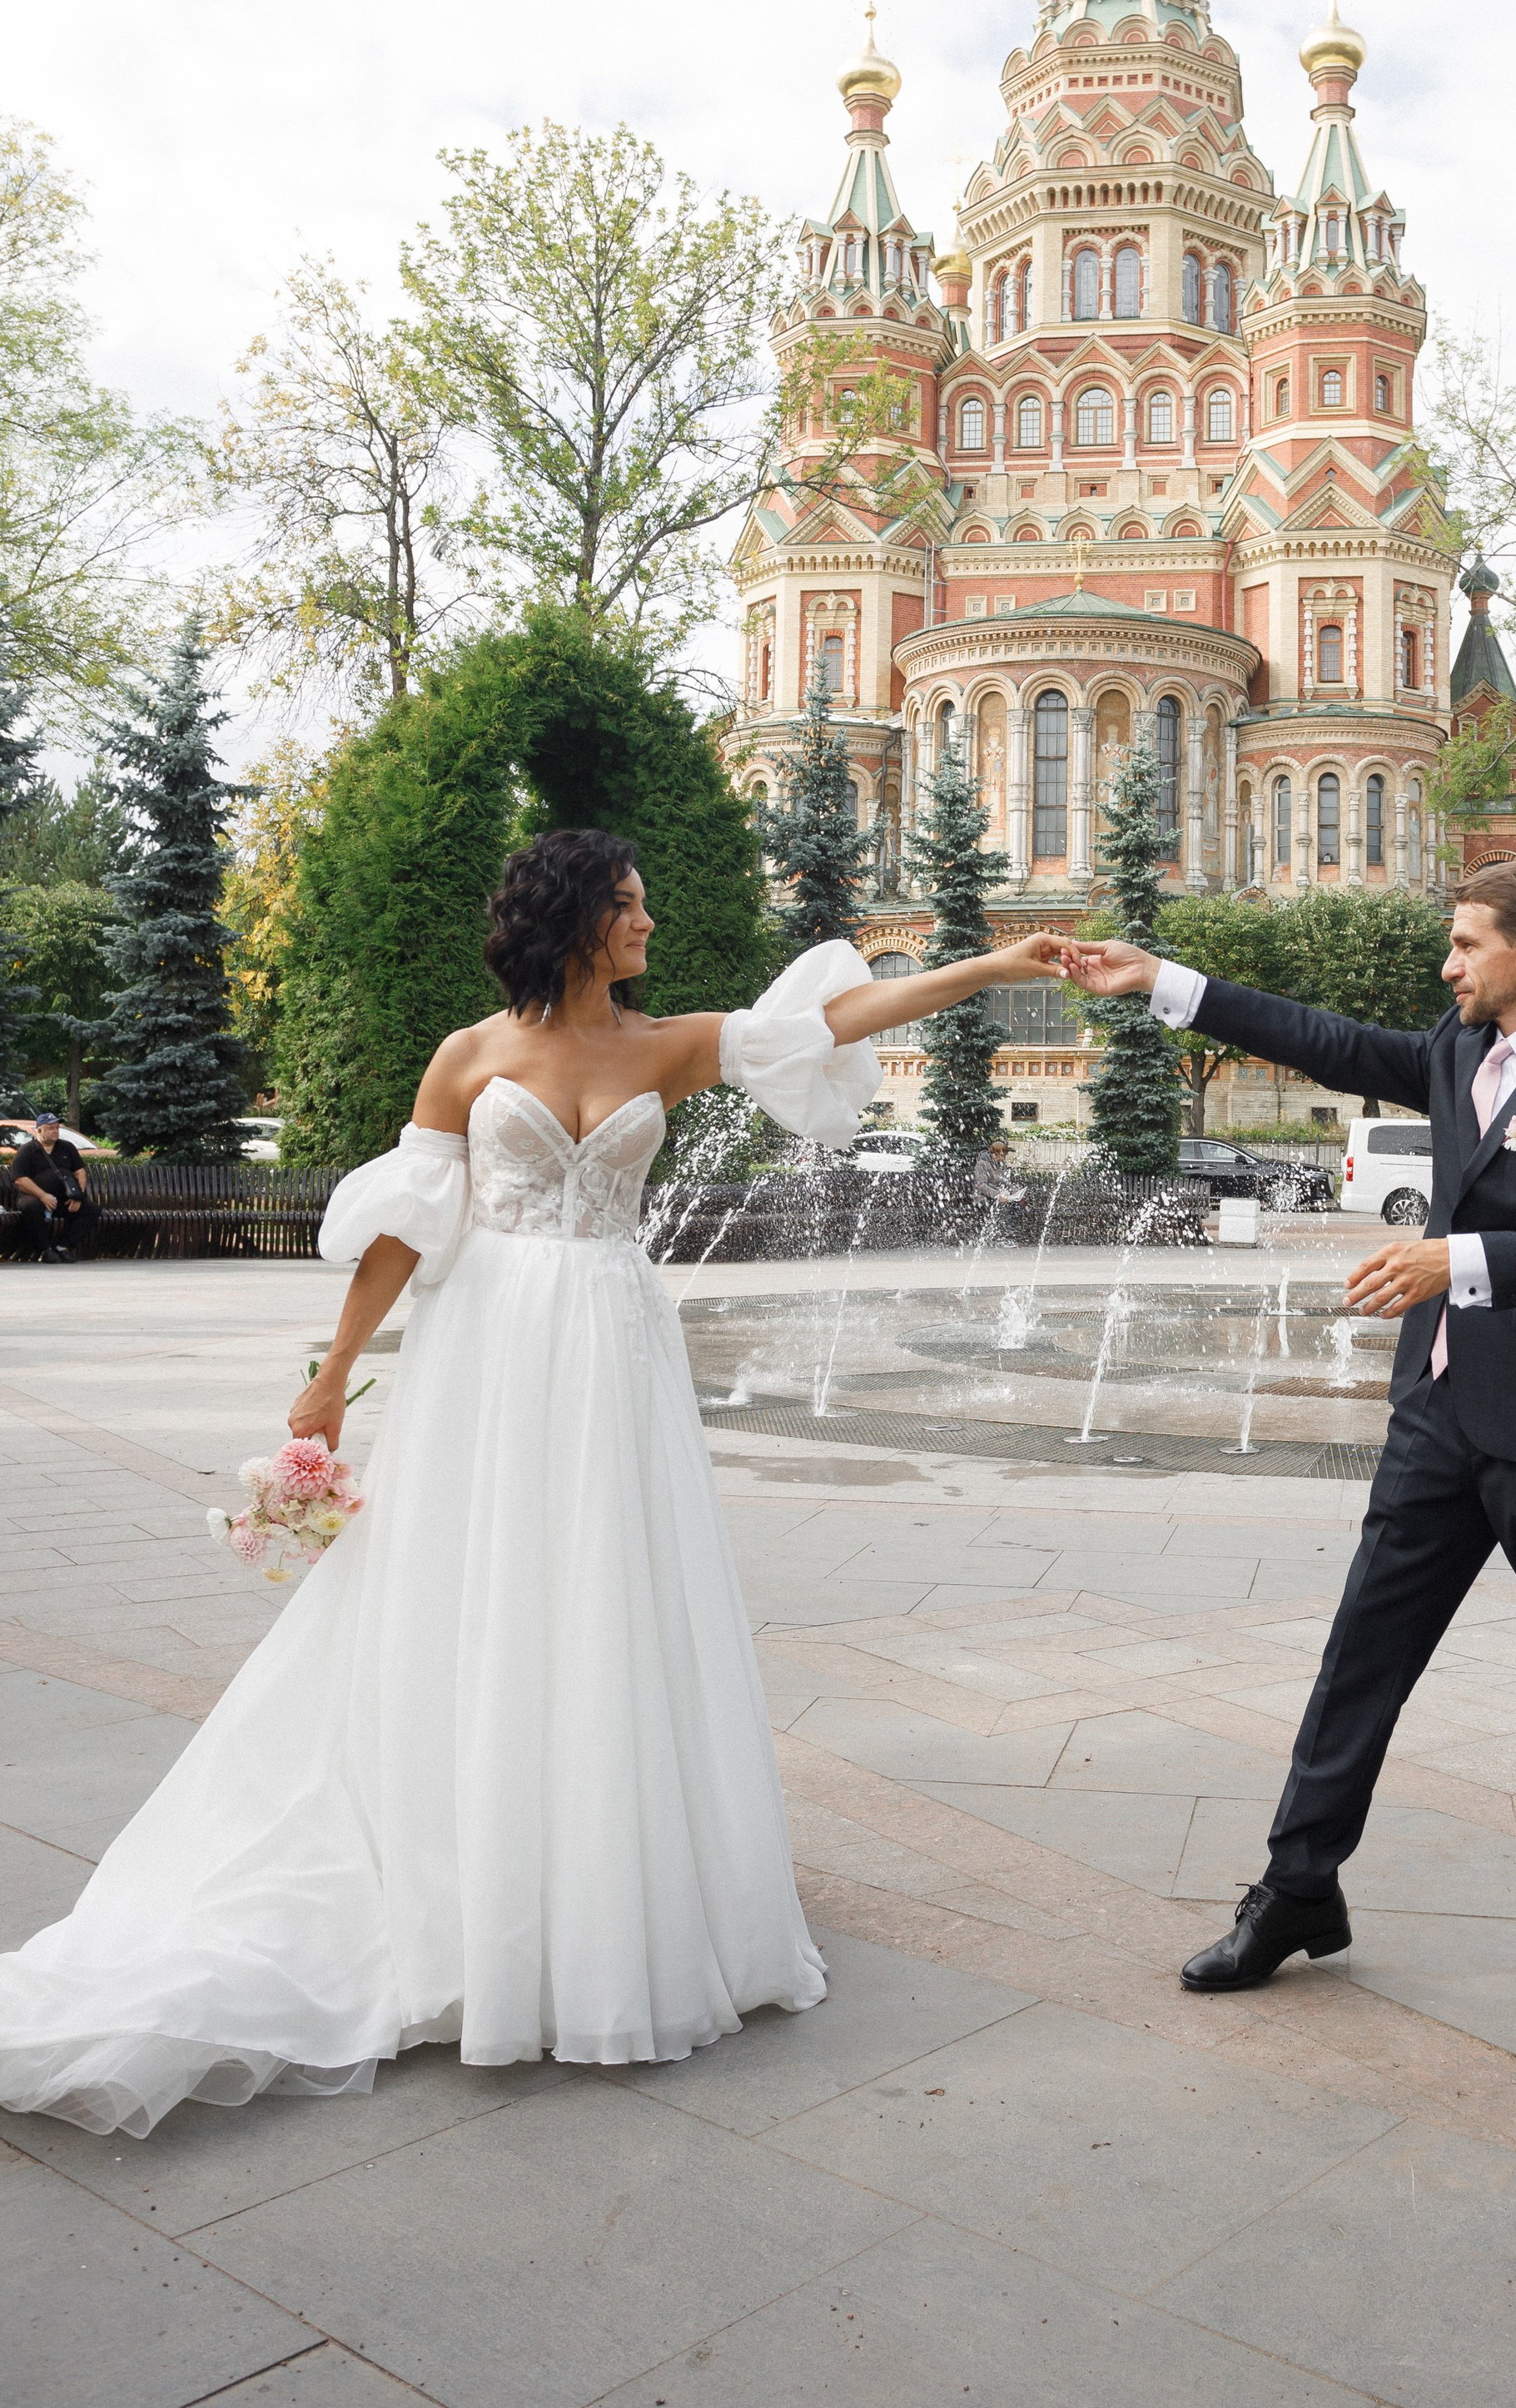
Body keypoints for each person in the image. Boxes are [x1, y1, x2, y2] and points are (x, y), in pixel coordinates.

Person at [0, 830, 1078, 2137]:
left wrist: (994, 964)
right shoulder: (470, 1055)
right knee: (478, 1587)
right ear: (575, 921)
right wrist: (334, 1372)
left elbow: (846, 1011)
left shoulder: (667, 1043)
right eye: (630, 908)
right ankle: (462, 1881)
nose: (648, 928)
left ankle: (597, 1884)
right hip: (489, 1348)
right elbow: (407, 1226)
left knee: (608, 1594)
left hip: (613, 1346)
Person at [1067, 857, 1516, 2033]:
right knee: (1361, 1655)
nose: (1447, 965)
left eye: (1465, 944)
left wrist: (1463, 1261)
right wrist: (1164, 983)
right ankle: (1299, 1888)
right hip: (1437, 1414)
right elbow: (1327, 1041)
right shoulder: (1453, 1055)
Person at [7, 1111, 92, 1259]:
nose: (55, 1131)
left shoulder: (67, 1147)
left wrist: (78, 1195)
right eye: (50, 1128)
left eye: (57, 1128)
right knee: (31, 1207)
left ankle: (64, 1246)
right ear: (39, 1130)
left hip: (63, 1199)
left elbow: (80, 1171)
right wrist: (43, 1196)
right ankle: (44, 1250)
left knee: (91, 1210)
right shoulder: (27, 1151)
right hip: (35, 1197)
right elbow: (20, 1179)